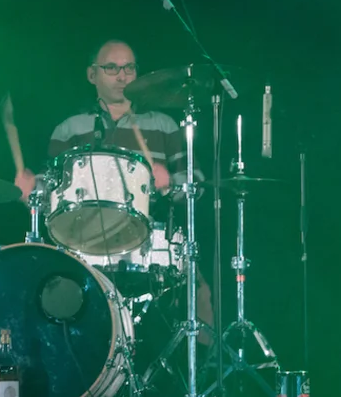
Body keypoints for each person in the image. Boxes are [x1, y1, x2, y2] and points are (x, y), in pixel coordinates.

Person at [15, 38, 214, 337]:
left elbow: (196, 184)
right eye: (112, 68)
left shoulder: (164, 125)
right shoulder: (70, 129)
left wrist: (170, 183)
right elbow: (52, 190)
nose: (122, 76)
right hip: (83, 242)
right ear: (92, 74)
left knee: (201, 296)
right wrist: (32, 190)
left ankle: (201, 363)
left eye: (129, 68)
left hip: (151, 243)